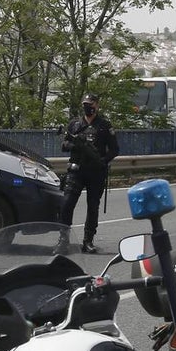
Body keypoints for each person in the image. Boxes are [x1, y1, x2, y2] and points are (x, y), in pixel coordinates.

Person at [58, 93, 119, 253]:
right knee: (67, 204)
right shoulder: (74, 124)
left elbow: (114, 149)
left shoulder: (104, 125)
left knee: (93, 207)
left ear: (97, 105)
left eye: (90, 104)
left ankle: (88, 241)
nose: (87, 106)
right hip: (76, 170)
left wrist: (103, 161)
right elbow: (64, 145)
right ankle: (63, 240)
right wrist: (76, 146)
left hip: (95, 172)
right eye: (85, 103)